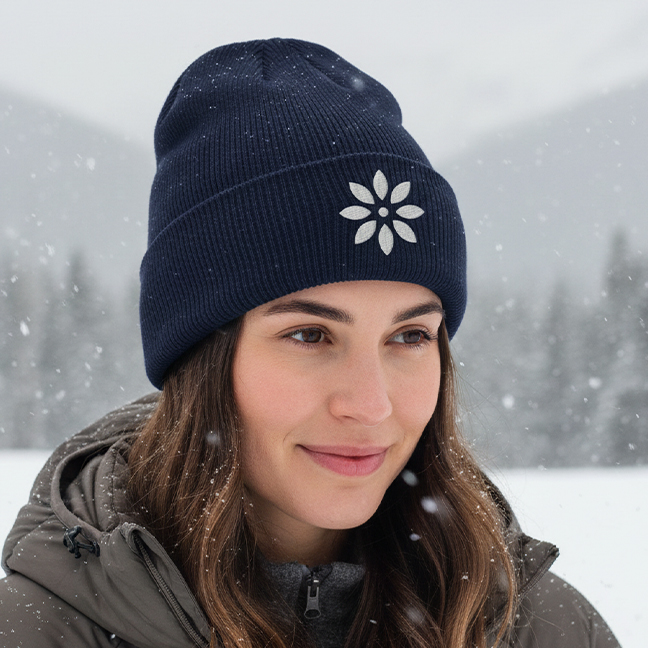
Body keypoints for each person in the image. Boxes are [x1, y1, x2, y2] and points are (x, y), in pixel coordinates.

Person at [0, 38, 620, 648]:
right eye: (309, 334)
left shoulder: (545, 630)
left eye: (409, 336)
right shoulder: (37, 633)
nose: (370, 404)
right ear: (200, 357)